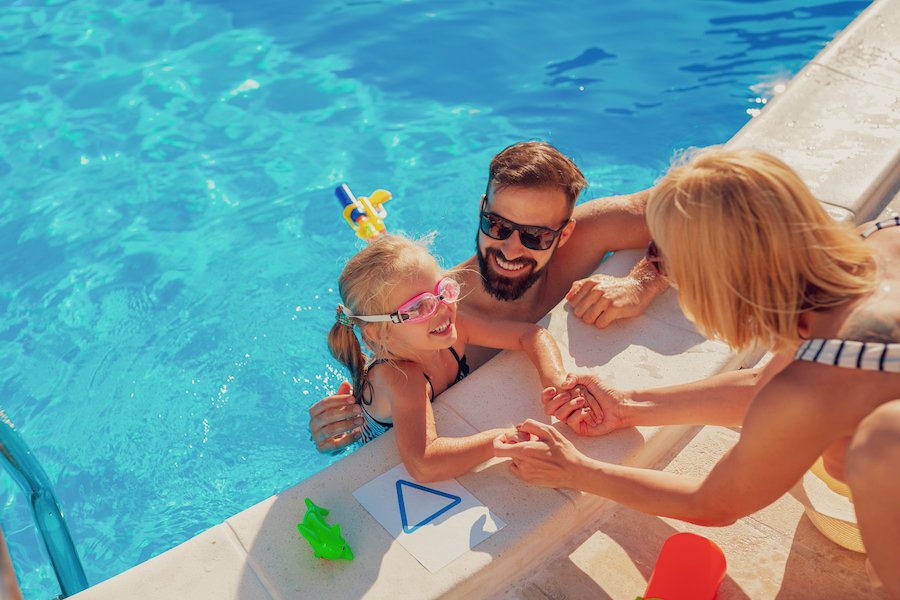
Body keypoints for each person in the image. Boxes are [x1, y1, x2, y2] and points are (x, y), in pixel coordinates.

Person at [494, 148, 900, 596]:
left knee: (871, 449)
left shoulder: (815, 388)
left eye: (663, 262)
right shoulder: (875, 240)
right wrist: (628, 407)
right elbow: (767, 389)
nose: (660, 271)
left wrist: (574, 470)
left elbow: (715, 503)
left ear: (719, 276)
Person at [311, 141, 668, 451]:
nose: (511, 250)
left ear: (564, 232)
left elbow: (707, 201)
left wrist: (646, 281)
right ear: (483, 209)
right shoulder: (438, 313)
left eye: (536, 236)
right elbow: (376, 396)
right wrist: (339, 429)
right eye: (497, 226)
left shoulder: (587, 236)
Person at [327, 234, 593, 482]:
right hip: (367, 462)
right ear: (381, 333)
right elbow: (424, 464)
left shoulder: (453, 328)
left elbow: (530, 335)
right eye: (420, 307)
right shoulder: (400, 377)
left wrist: (556, 381)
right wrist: (498, 440)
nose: (442, 309)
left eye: (443, 291)